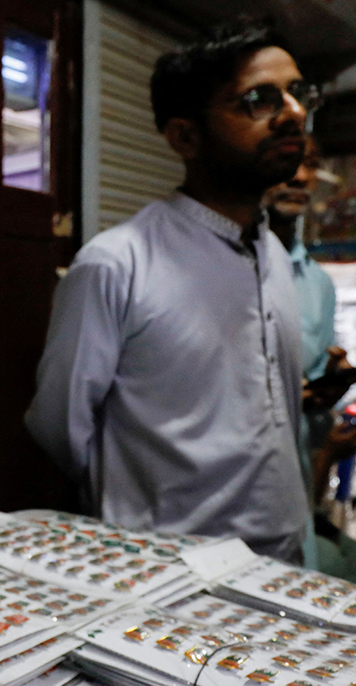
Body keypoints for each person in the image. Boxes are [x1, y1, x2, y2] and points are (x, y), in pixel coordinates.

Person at [25, 19, 316, 562]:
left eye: (297, 94)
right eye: (258, 100)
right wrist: (135, 512)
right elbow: (60, 428)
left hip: (280, 556)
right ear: (184, 136)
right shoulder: (118, 264)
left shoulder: (271, 253)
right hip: (165, 570)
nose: (293, 114)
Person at [264, 137, 356, 573]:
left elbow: (314, 373)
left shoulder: (317, 283)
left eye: (311, 165)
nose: (300, 177)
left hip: (298, 477)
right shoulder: (222, 268)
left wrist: (331, 379)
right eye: (286, 162)